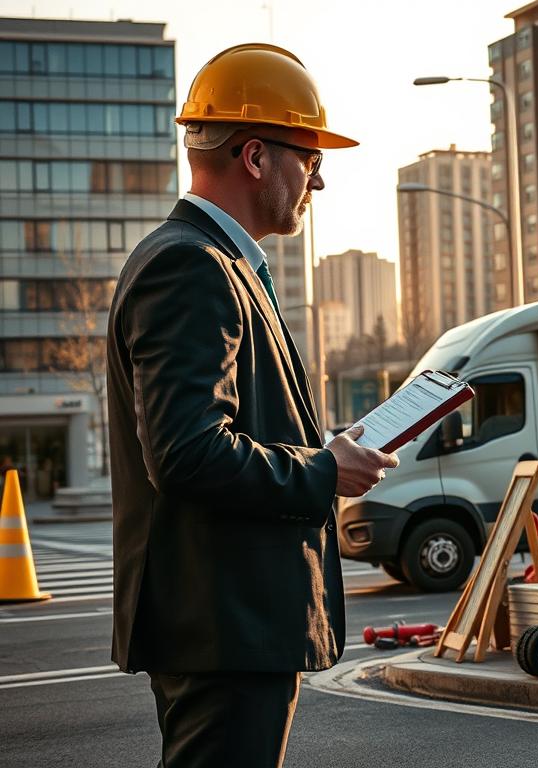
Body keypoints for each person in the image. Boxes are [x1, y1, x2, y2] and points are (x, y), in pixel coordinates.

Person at [104, 43, 398, 767]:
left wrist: (325, 444)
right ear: (257, 156)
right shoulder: (191, 267)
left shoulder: (215, 264)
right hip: (223, 628)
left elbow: (219, 430)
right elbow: (189, 453)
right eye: (311, 158)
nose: (318, 182)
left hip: (226, 625)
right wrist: (324, 471)